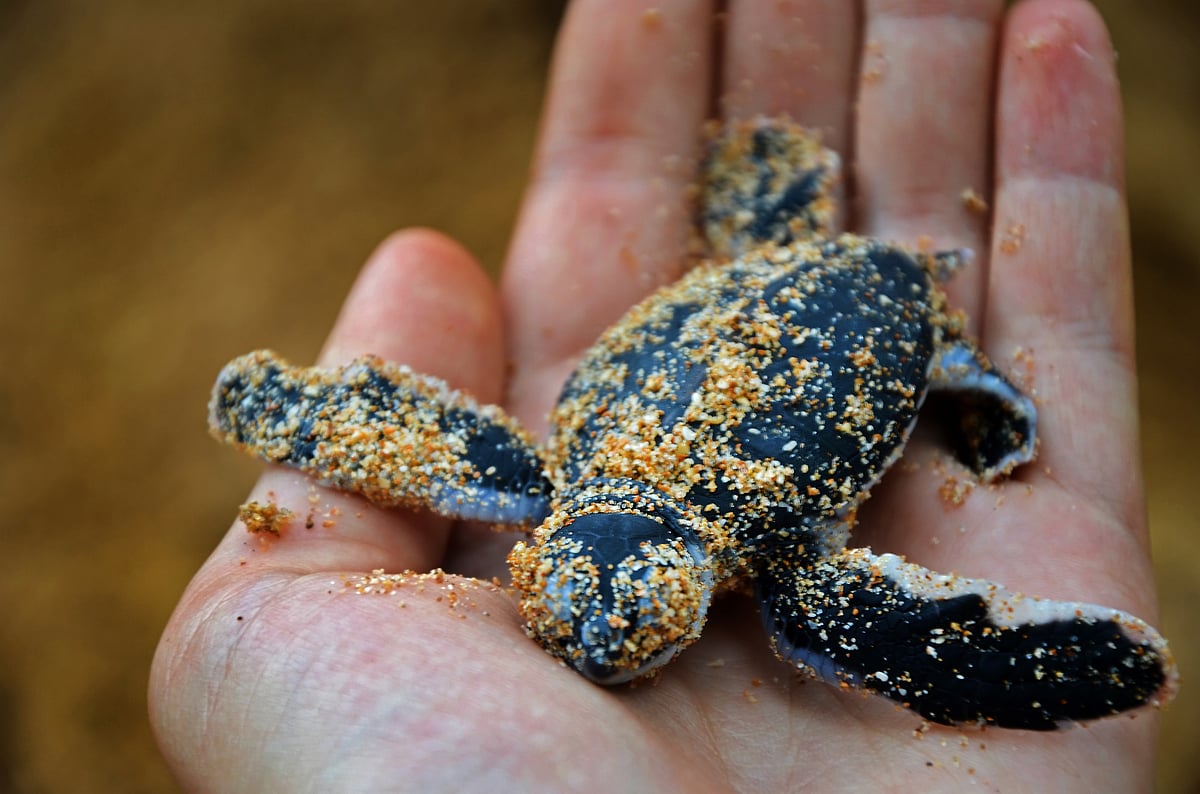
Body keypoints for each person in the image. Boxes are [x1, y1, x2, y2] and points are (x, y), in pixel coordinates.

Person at [151, 1, 1163, 789]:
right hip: (727, 307)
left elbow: (424, 439)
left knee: (984, 431)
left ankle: (962, 375)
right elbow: (428, 441)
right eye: (608, 627)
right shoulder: (600, 498)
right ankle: (795, 247)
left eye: (628, 624)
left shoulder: (771, 565)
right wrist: (283, 405)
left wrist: (291, 407)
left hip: (873, 301)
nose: (601, 652)